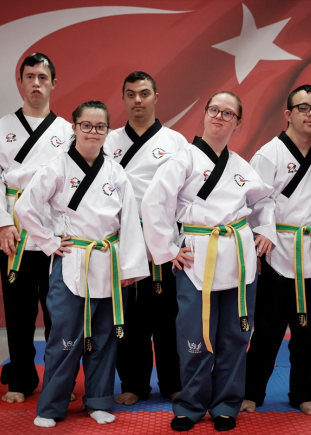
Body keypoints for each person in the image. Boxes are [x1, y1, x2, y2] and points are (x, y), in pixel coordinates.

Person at [142, 92, 277, 432]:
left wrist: (266, 230)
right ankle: (190, 405)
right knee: (196, 336)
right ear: (204, 114)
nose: (219, 116)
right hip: (197, 257)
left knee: (235, 336)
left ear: (237, 123)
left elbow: (265, 201)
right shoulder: (182, 160)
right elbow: (153, 203)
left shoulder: (242, 166)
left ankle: (226, 405)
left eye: (228, 113)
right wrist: (168, 249)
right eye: (214, 109)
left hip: (239, 258)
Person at [14, 101, 149, 427]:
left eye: (100, 126)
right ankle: (51, 407)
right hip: (72, 261)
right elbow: (24, 208)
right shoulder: (56, 167)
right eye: (86, 125)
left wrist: (130, 267)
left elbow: (129, 221)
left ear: (107, 131)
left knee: (105, 337)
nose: (93, 132)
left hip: (108, 261)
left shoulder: (115, 171)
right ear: (74, 128)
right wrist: (49, 242)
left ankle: (99, 400)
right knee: (64, 338)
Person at [0, 52, 73, 403]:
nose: (36, 83)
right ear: (20, 82)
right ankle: (20, 377)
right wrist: (3, 225)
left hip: (54, 232)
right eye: (30, 77)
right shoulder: (1, 127)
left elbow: (73, 183)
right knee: (18, 311)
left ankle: (59, 379)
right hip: (15, 233)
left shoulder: (66, 130)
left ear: (53, 83)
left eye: (43, 77)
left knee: (58, 313)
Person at [242, 85, 311, 416]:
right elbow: (251, 203)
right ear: (288, 114)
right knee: (267, 331)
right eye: (303, 108)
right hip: (276, 253)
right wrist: (256, 247)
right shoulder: (269, 155)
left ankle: (304, 392)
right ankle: (251, 392)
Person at [104, 71, 186, 405]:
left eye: (144, 93)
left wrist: (176, 239)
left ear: (155, 97)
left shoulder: (175, 142)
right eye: (131, 94)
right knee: (131, 319)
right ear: (123, 98)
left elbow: (186, 193)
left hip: (164, 242)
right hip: (125, 242)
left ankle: (173, 382)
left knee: (169, 319)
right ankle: (134, 383)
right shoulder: (109, 141)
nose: (137, 100)